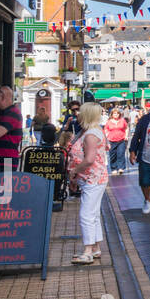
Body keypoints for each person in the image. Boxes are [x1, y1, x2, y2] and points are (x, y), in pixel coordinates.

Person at [67, 103, 109, 264]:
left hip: (92, 178)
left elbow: (90, 159)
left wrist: (74, 170)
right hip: (93, 178)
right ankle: (96, 247)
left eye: (80, 112)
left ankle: (88, 251)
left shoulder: (91, 135)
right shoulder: (92, 131)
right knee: (93, 214)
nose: (77, 114)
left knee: (86, 214)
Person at [104, 109, 130, 174]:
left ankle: (121, 168)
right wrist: (106, 138)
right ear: (112, 115)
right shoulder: (109, 122)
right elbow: (106, 130)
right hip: (111, 140)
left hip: (121, 140)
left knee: (120, 153)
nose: (116, 115)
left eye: (117, 113)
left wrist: (126, 135)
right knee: (112, 155)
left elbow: (126, 128)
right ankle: (114, 168)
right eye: (114, 113)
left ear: (119, 114)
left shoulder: (122, 120)